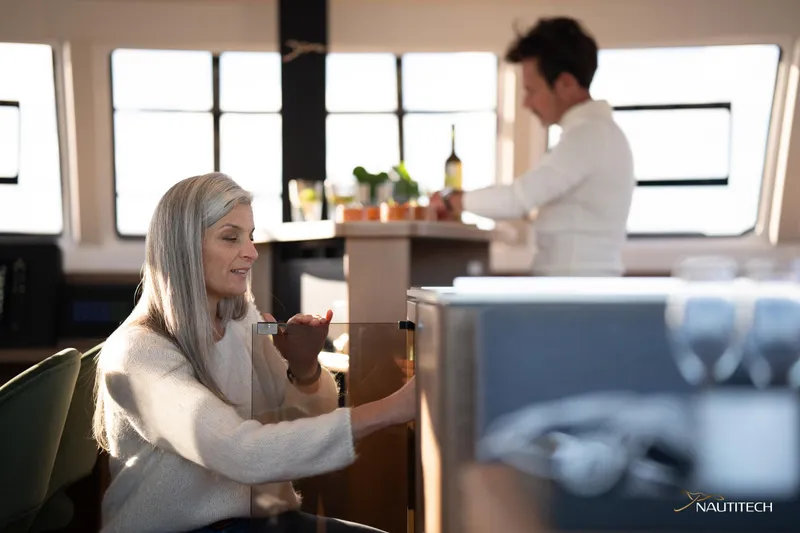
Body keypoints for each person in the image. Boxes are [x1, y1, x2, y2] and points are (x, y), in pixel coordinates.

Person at [92, 172, 416, 533]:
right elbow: (241, 453)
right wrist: (393, 408)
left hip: (259, 521)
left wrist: (304, 368)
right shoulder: (138, 353)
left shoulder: (240, 320)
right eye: (231, 237)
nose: (251, 252)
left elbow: (301, 423)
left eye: (250, 236)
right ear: (183, 248)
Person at [431, 17, 635, 277]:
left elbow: (517, 200)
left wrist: (452, 199)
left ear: (565, 84)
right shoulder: (595, 134)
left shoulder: (589, 136)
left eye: (531, 91)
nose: (526, 103)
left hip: (577, 290)